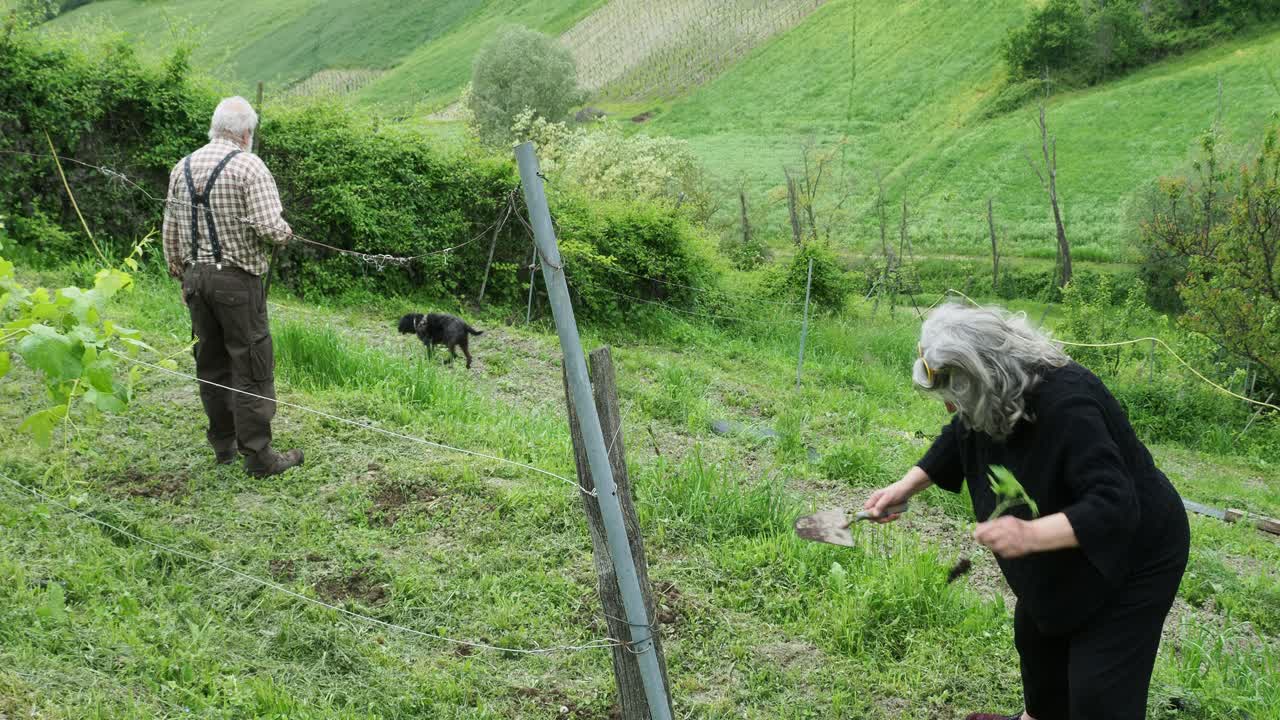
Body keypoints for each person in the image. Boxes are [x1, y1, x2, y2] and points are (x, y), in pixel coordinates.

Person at [864, 303, 1189, 720]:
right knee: (1039, 640)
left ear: (985, 374)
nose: (950, 407)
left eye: (954, 394)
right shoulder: (992, 394)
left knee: (1098, 693)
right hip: (1066, 540)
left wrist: (1030, 535)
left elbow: (1113, 504)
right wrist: (905, 486)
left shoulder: (1069, 404)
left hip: (1137, 553)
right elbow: (961, 430)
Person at [162, 96, 303, 478]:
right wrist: (286, 233)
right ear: (245, 133)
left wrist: (182, 274)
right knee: (251, 364)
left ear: (215, 127)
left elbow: (171, 232)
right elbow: (271, 229)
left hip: (196, 279)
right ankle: (259, 457)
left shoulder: (183, 166)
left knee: (210, 363)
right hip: (237, 282)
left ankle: (223, 446)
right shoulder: (248, 166)